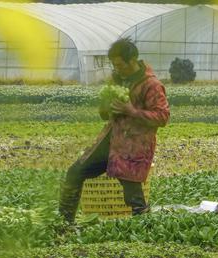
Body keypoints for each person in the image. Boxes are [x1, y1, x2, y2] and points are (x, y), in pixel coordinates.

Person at [58, 38, 170, 224]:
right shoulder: (117, 79)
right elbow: (105, 114)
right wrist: (106, 105)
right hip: (110, 140)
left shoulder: (151, 85)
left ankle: (144, 228)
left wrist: (131, 111)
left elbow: (162, 117)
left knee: (132, 194)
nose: (116, 69)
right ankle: (64, 221)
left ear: (132, 60)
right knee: (75, 172)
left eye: (119, 64)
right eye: (114, 65)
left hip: (134, 145)